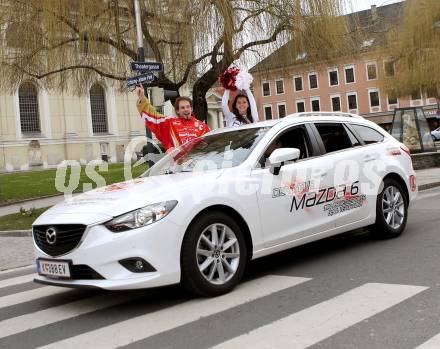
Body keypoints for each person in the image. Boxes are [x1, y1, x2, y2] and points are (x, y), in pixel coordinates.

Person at [135, 85, 210, 151]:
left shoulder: (202, 126)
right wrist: (142, 97)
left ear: (191, 109)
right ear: (177, 111)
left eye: (188, 107)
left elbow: (212, 144)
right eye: (182, 108)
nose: (186, 109)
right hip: (178, 165)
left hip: (197, 164)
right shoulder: (169, 123)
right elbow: (153, 116)